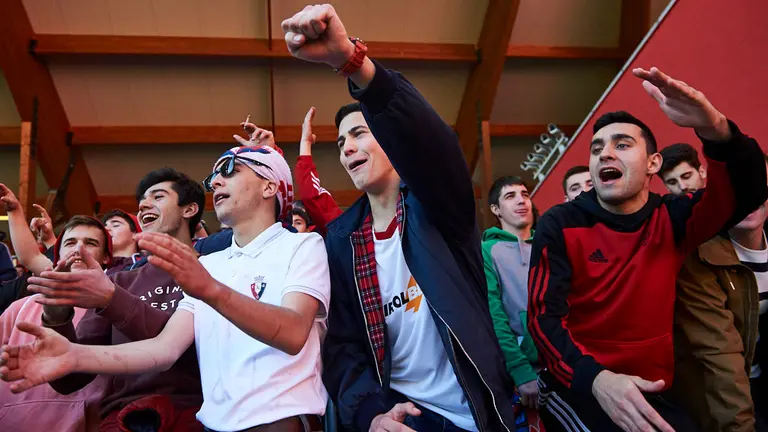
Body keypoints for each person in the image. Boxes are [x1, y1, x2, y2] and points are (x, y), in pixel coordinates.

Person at [281, 5, 517, 431]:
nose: (348, 148)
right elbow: (344, 347)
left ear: (390, 139)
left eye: (359, 134)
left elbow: (432, 146)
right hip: (407, 419)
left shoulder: (439, 209)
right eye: (339, 143)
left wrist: (350, 62)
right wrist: (372, 413)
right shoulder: (341, 241)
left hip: (479, 411)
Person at [0, 144, 331, 432]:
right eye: (213, 176)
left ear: (270, 185)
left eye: (229, 170)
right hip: (213, 425)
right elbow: (163, 349)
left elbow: (293, 332)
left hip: (280, 421)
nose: (215, 181)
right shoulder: (210, 267)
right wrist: (75, 355)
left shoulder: (302, 246)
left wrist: (210, 289)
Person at [528, 67, 767, 431]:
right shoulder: (560, 224)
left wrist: (715, 127)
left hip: (656, 391)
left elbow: (749, 190)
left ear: (653, 163)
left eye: (622, 145)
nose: (605, 154)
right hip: (579, 388)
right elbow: (542, 321)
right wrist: (597, 380)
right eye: (597, 149)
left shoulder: (673, 218)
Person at [21, 168, 205, 431]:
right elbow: (70, 379)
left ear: (189, 210)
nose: (144, 204)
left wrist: (111, 300)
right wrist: (57, 316)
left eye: (158, 196)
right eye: (142, 199)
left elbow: (190, 352)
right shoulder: (120, 282)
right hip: (123, 418)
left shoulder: (215, 272)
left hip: (198, 414)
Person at [0, 216, 112, 431]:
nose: (79, 249)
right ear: (57, 253)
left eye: (91, 243)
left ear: (106, 257)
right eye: (70, 243)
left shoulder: (115, 306)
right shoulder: (19, 308)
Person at [483, 176, 540, 411]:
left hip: (566, 363)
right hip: (523, 369)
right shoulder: (488, 250)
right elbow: (494, 315)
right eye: (510, 196)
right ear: (496, 209)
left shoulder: (548, 243)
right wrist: (520, 370)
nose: (521, 201)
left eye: (525, 194)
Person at [101, 209, 141, 274]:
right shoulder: (98, 271)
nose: (106, 229)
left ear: (135, 234)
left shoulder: (146, 265)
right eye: (104, 226)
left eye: (115, 225)